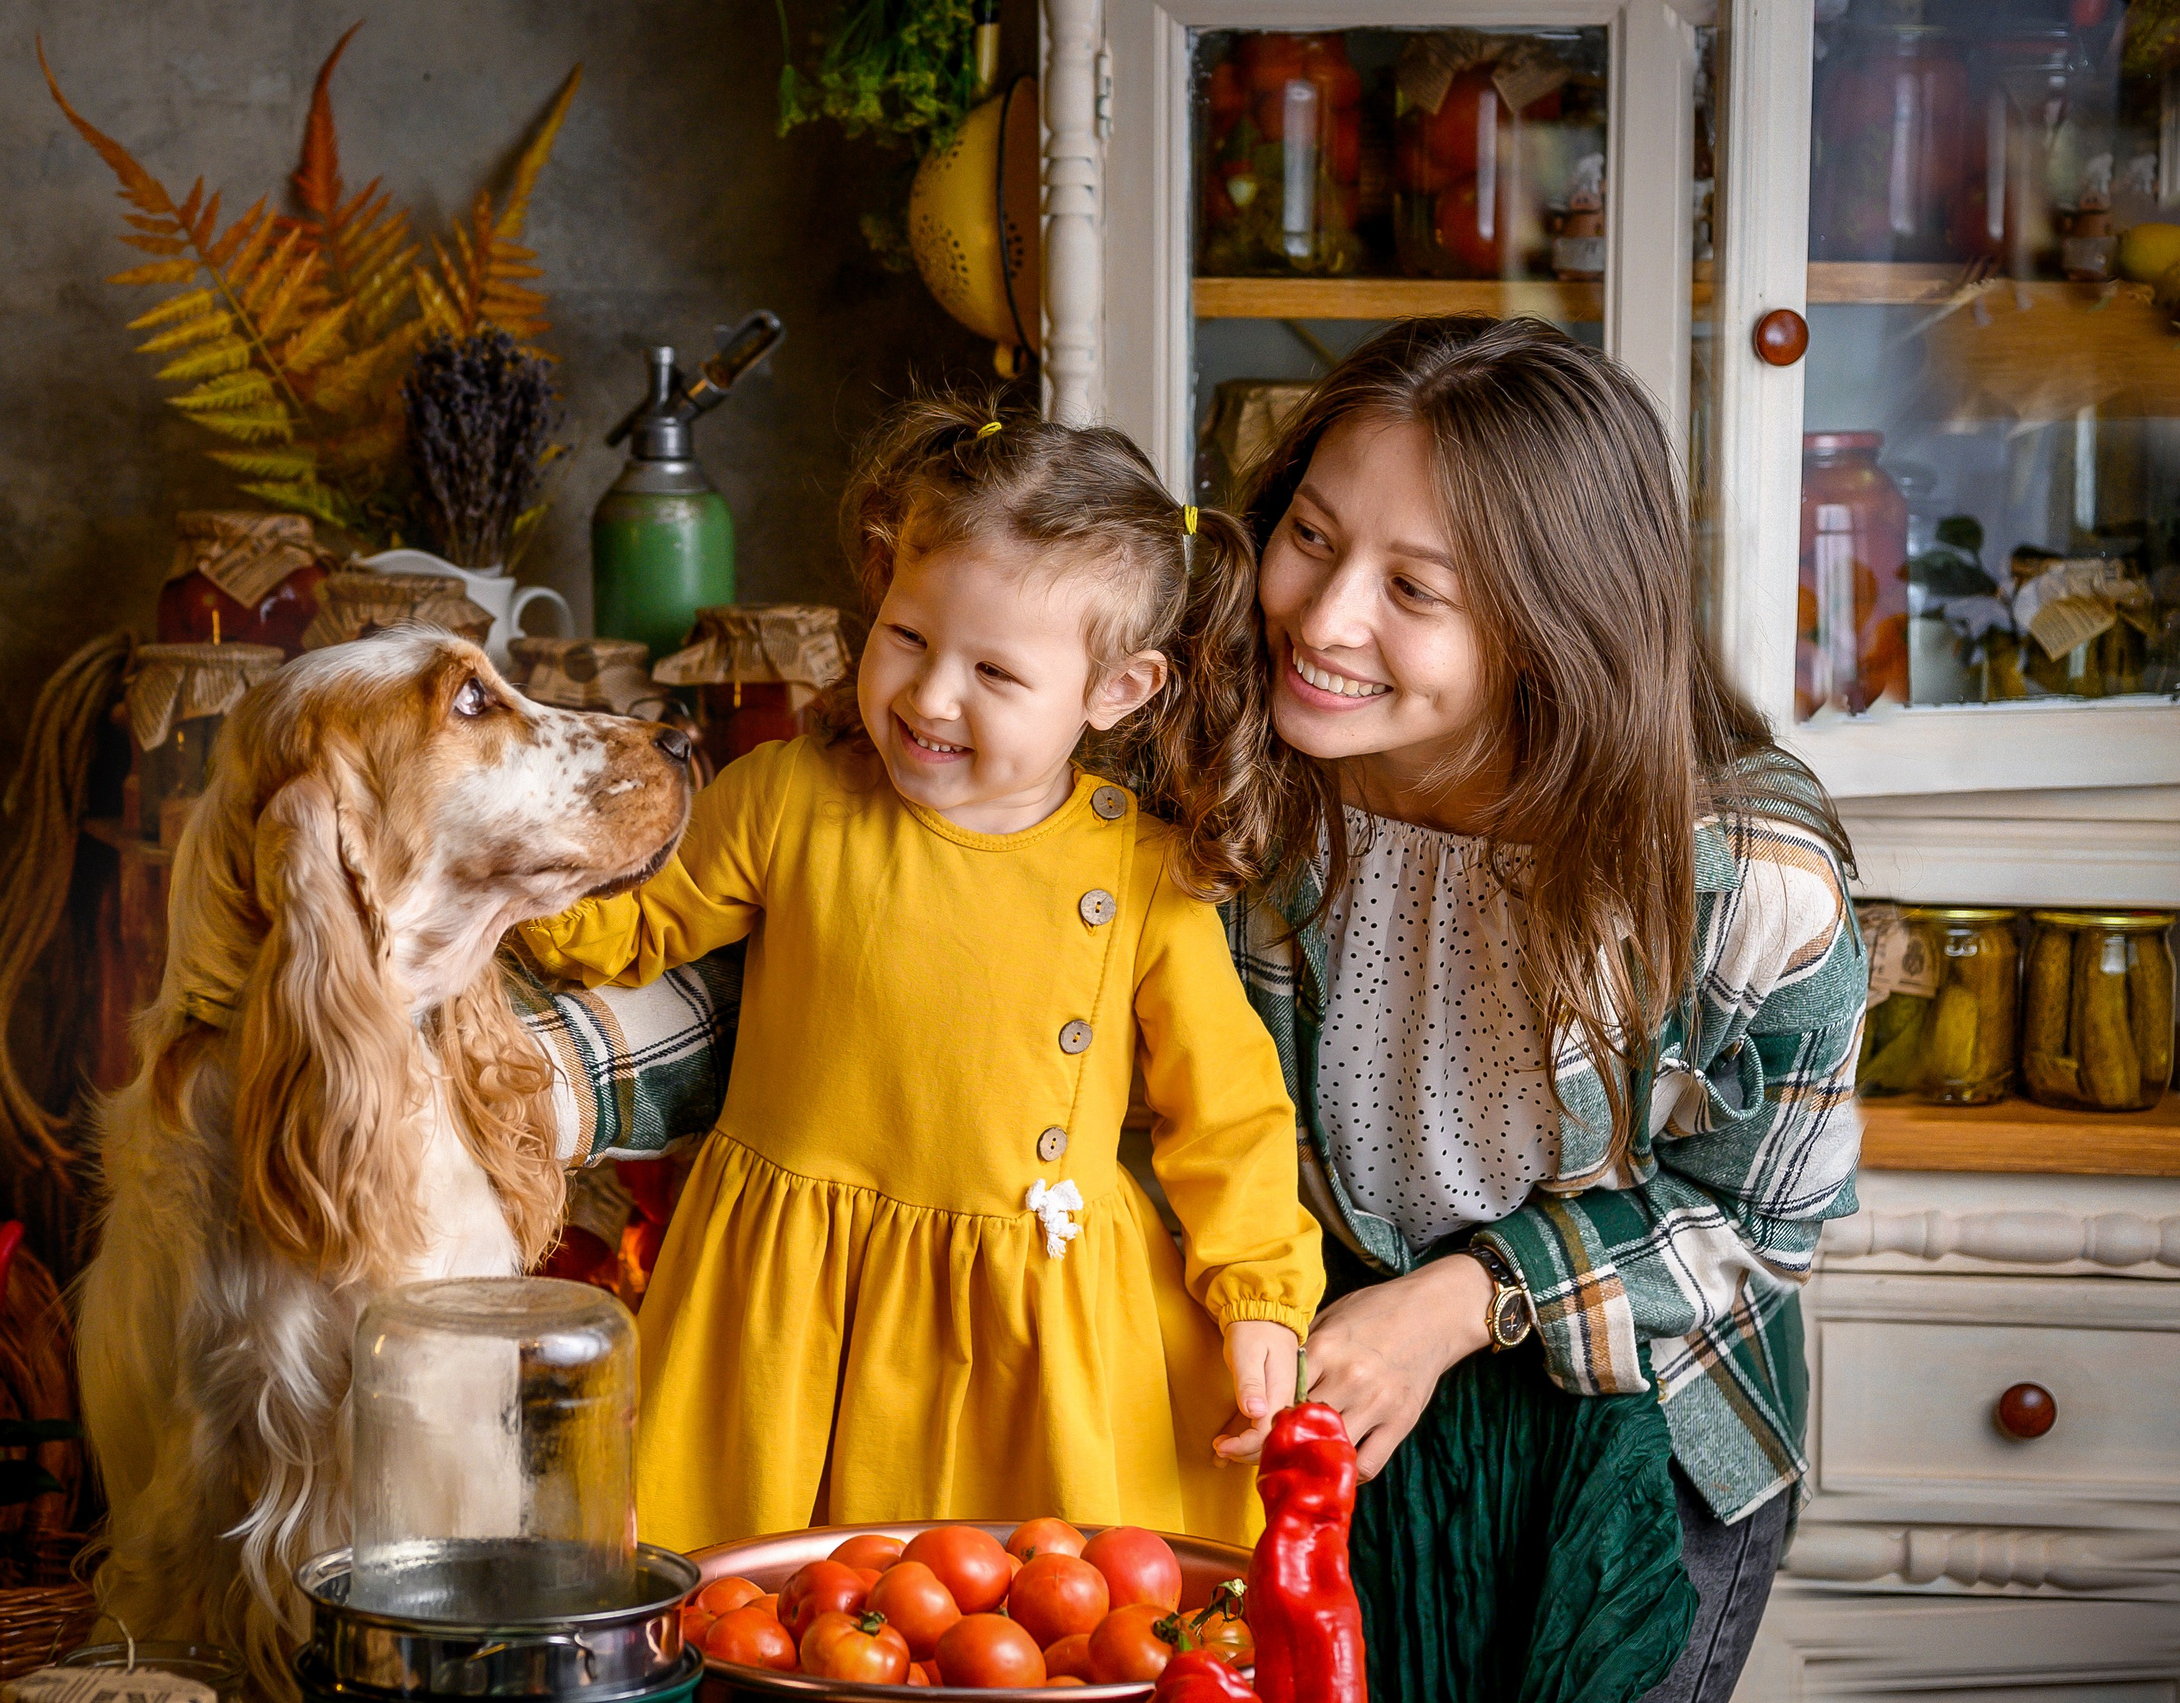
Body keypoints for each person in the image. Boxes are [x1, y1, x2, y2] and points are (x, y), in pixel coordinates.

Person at [522, 319, 1864, 1703]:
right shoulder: (1214, 769)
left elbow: (1766, 1220)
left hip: (1620, 1433)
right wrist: (518, 1072)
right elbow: (859, 981)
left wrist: (1466, 1295)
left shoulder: (1742, 868)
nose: (1326, 619)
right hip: (1275, 1403)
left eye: (1414, 588)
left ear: (1554, 612)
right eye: (1313, 537)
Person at [512, 397, 1326, 1554]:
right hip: (782, 1302)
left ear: (1116, 690)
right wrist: (516, 880)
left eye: (995, 671)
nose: (931, 696)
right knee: (759, 1604)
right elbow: (634, 922)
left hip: (1030, 1333)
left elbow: (1230, 1117)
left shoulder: (1142, 877)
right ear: (883, 586)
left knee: (1017, 1614)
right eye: (908, 637)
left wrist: (1259, 1297)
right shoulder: (788, 797)